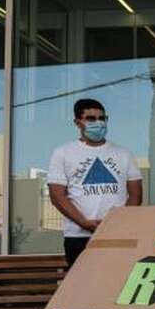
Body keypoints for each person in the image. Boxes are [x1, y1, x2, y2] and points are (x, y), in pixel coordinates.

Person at [47, 98, 142, 267]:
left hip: (117, 234)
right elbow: (57, 195)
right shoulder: (62, 152)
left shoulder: (124, 153)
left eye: (102, 118)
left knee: (117, 284)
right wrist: (84, 223)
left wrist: (117, 224)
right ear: (78, 122)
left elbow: (136, 194)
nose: (98, 123)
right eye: (91, 119)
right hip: (78, 236)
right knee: (82, 288)